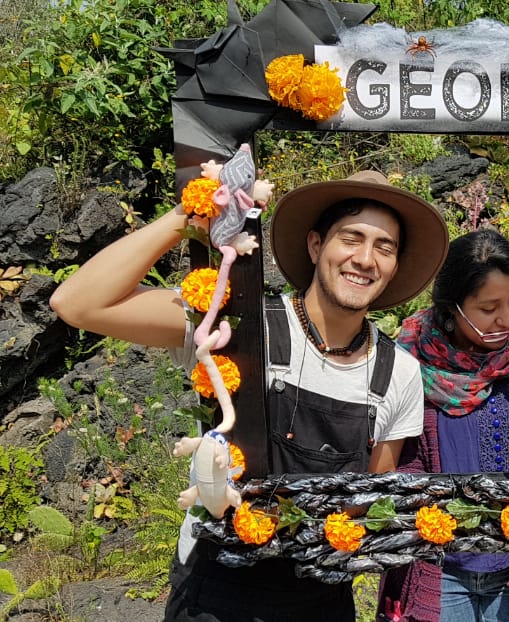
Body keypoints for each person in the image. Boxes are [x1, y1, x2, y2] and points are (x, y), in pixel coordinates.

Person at [50, 169, 449, 621]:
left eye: (385, 247)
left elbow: (370, 494)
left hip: (320, 600)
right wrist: (190, 214)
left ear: (395, 266)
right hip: (214, 594)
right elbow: (78, 304)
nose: (365, 259)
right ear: (316, 245)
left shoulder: (398, 371)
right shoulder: (235, 325)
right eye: (351, 238)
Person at [378, 229, 509, 622]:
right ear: (451, 307)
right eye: (489, 308)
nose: (507, 319)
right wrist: (436, 512)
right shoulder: (409, 363)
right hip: (442, 566)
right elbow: (397, 463)